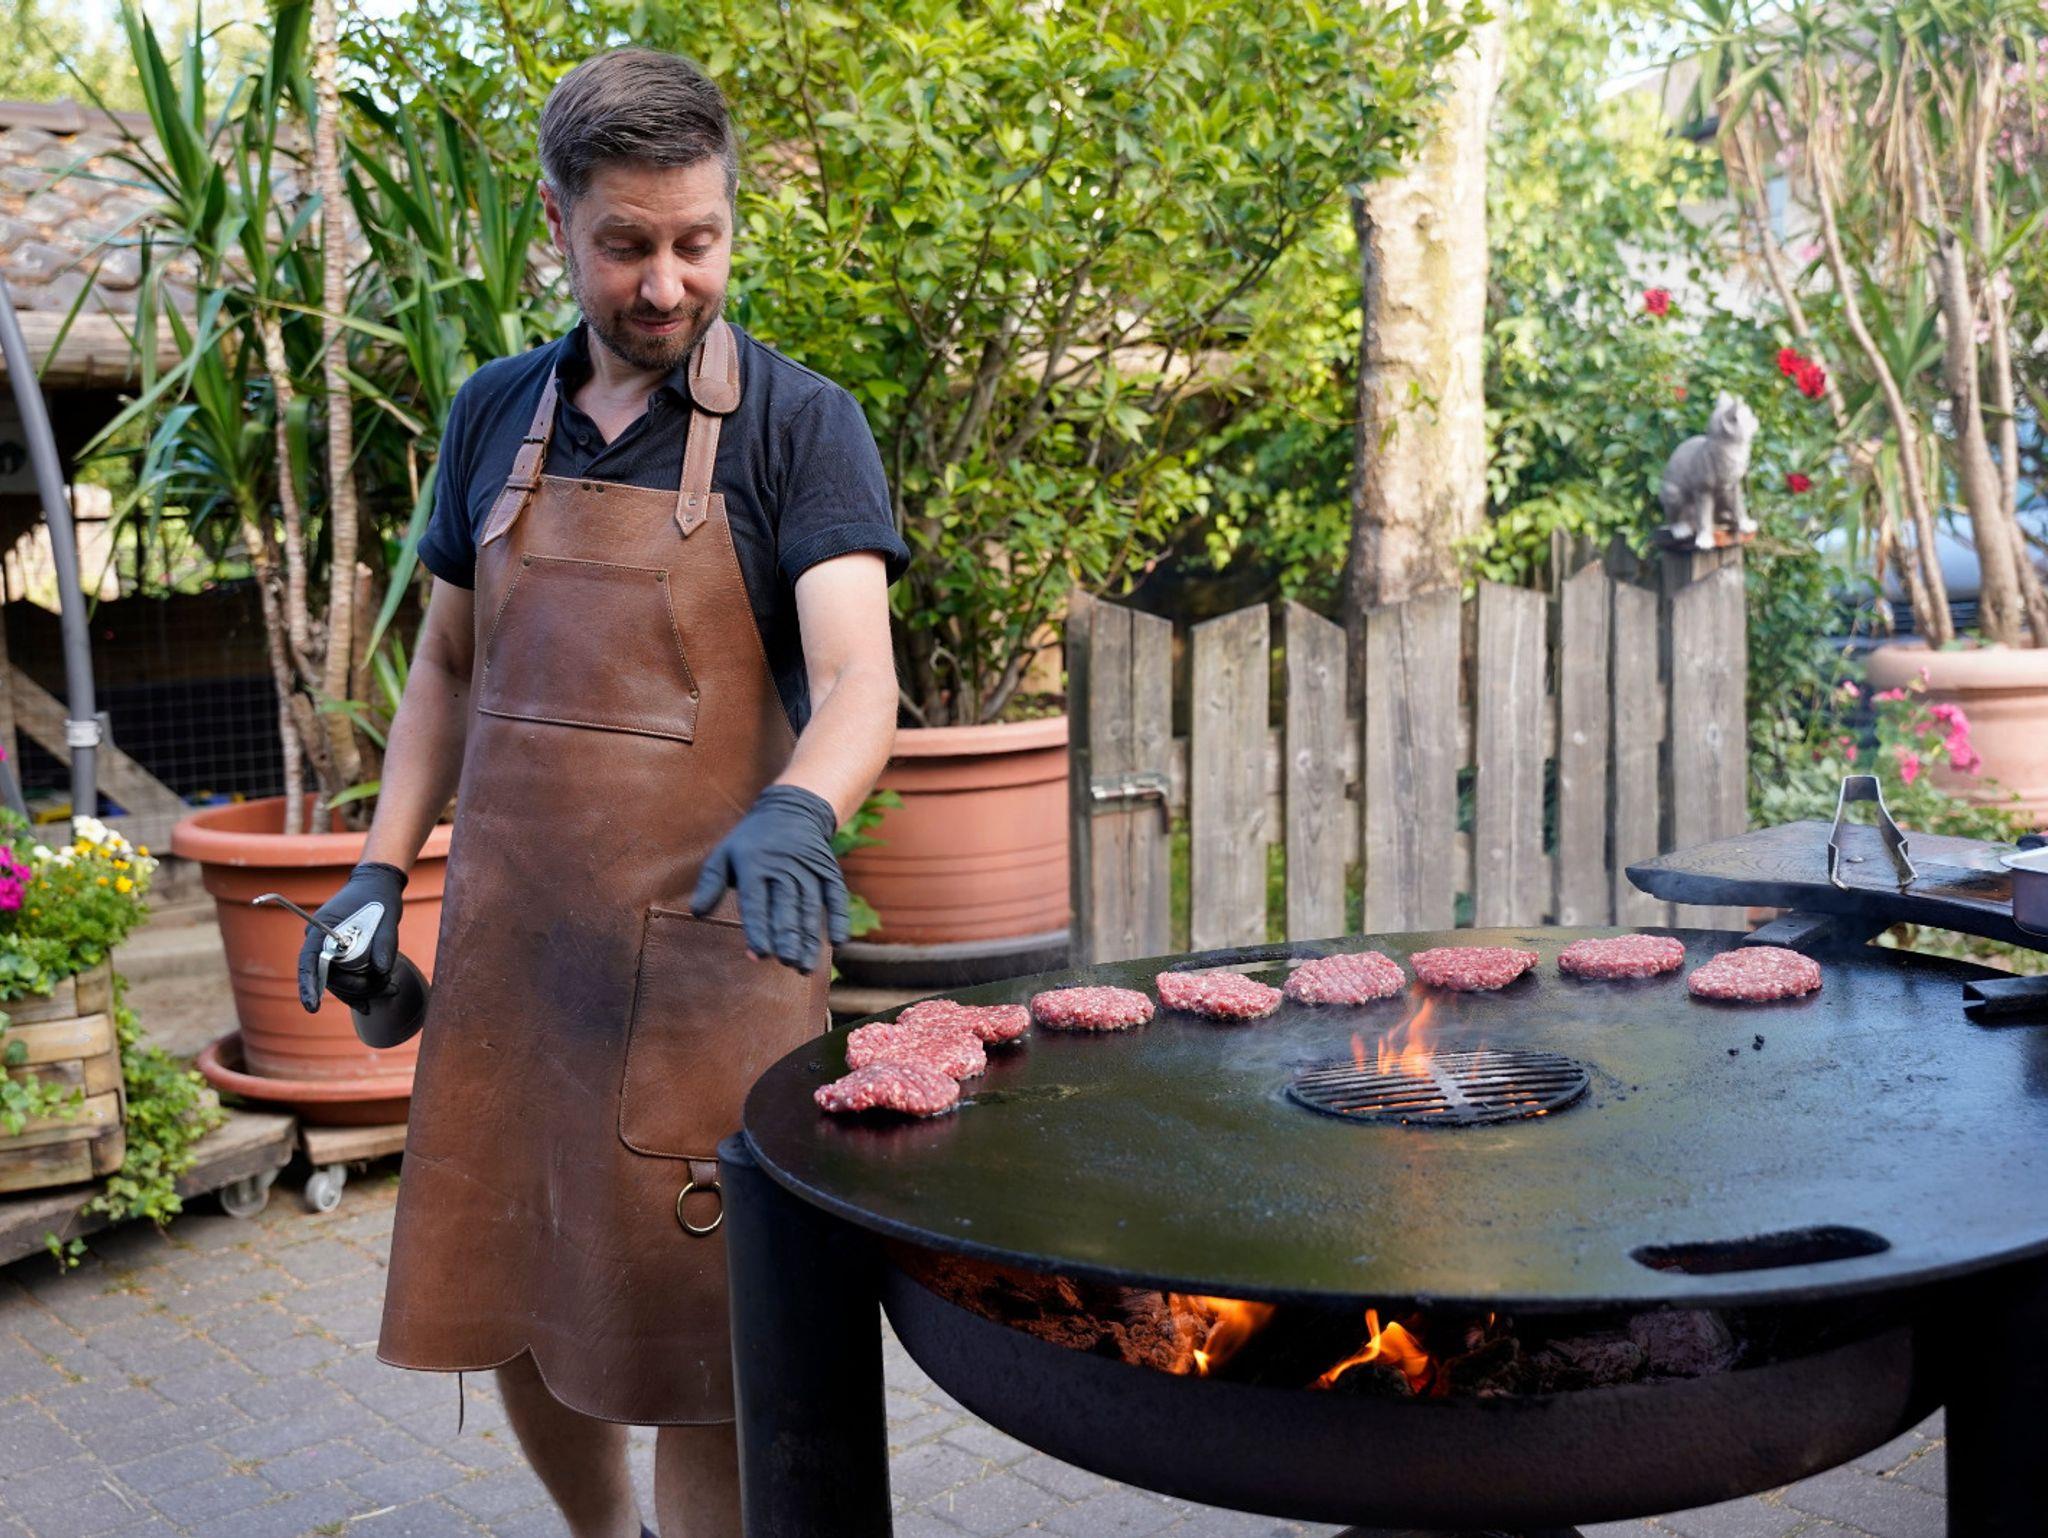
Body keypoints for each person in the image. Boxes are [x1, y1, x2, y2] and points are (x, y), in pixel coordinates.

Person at [293, 48, 905, 1538]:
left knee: (707, 1346)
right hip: (516, 962)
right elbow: (448, 663)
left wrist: (801, 805)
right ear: (559, 222)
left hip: (709, 964)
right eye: (628, 244)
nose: (667, 282)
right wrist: (377, 869)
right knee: (507, 1291)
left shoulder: (800, 424)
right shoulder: (493, 413)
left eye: (700, 240)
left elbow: (857, 675)